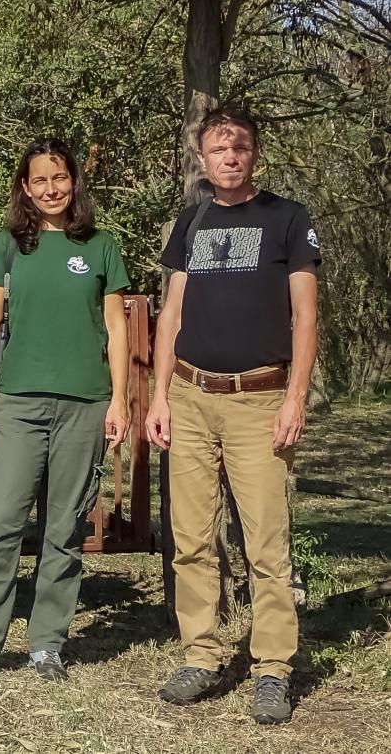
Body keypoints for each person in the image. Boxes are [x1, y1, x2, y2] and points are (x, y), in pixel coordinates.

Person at [146, 104, 319, 725]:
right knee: (191, 539)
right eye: (218, 149)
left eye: (239, 147)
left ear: (254, 154)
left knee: (266, 544)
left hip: (259, 401)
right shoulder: (189, 223)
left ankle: (272, 668)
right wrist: (160, 396)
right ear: (202, 157)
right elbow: (170, 314)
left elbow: (305, 315)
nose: (229, 157)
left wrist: (295, 397)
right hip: (191, 397)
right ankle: (202, 654)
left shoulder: (286, 219)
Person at [0, 139, 131, 682]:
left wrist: (119, 399)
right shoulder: (8, 245)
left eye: (60, 178)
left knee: (64, 528)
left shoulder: (100, 246)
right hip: (20, 403)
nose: (51, 189)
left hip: (85, 404)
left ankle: (47, 643)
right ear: (25, 187)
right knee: (0, 522)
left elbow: (116, 328)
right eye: (39, 180)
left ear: (74, 182)